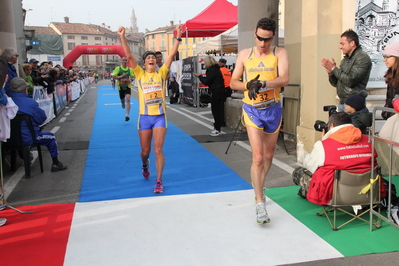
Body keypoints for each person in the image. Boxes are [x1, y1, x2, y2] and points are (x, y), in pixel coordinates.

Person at [230, 17, 289, 224]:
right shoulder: (245, 54)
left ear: (273, 37)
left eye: (267, 40)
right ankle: (259, 203)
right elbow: (232, 82)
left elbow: (284, 79)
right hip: (252, 109)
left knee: (269, 154)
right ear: (255, 33)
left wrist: (263, 83)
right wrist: (249, 85)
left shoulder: (279, 53)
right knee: (257, 157)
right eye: (259, 38)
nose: (262, 44)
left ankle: (259, 185)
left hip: (272, 108)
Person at [118, 24, 182, 193]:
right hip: (144, 118)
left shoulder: (161, 73)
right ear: (145, 62)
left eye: (154, 57)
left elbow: (172, 55)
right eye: (148, 58)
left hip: (160, 116)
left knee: (158, 149)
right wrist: (123, 38)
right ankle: (145, 165)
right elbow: (129, 55)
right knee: (145, 152)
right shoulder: (139, 73)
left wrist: (178, 37)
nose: (152, 59)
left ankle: (159, 180)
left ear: (156, 61)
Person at [292, 112, 376, 205]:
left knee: (298, 172)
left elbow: (311, 166)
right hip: (368, 192)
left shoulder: (324, 145)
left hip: (334, 196)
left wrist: (324, 141)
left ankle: (308, 193)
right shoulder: (368, 141)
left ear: (331, 126)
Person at [9, 77, 67, 173]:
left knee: (20, 133)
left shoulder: (6, 102)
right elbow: (41, 119)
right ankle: (56, 163)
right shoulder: (30, 102)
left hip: (8, 138)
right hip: (29, 138)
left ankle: (25, 157)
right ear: (24, 89)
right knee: (51, 137)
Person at [321, 29, 372, 112]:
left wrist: (334, 68)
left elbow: (350, 80)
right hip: (343, 103)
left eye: (342, 44)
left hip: (354, 105)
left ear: (352, 43)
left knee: (351, 125)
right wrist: (331, 73)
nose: (340, 47)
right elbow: (337, 83)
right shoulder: (345, 60)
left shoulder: (362, 58)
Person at [194, 56, 226, 136]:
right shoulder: (216, 69)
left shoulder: (211, 70)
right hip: (221, 91)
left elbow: (206, 81)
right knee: (218, 110)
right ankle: (218, 127)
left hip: (216, 92)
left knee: (215, 111)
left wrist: (200, 76)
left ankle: (217, 129)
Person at [112, 57, 135, 121]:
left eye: (126, 60)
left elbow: (133, 76)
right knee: (123, 100)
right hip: (121, 87)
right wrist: (121, 76)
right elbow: (113, 76)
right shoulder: (118, 69)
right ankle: (122, 103)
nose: (125, 61)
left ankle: (127, 115)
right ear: (121, 61)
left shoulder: (129, 69)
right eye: (123, 60)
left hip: (128, 86)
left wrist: (131, 79)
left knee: (128, 98)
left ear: (127, 62)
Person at [381, 42, 399, 120]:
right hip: (393, 119)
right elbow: (389, 99)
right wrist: (386, 112)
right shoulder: (391, 75)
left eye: (387, 57)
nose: (384, 60)